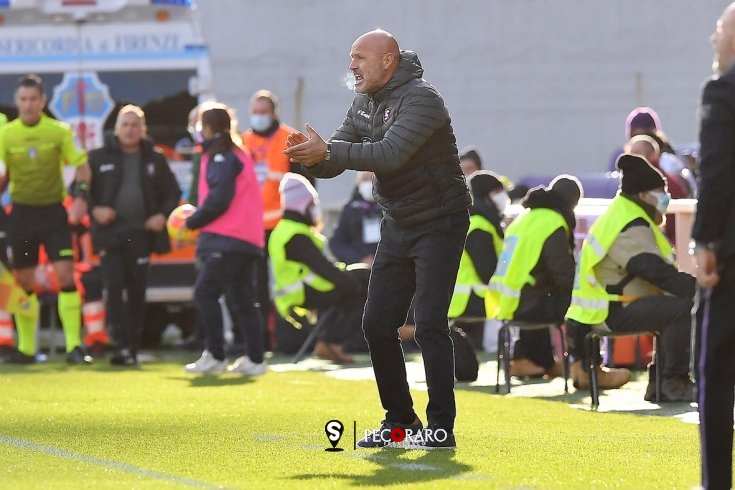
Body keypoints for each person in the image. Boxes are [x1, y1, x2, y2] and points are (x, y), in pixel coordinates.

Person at [284, 29, 471, 450]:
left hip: (441, 222)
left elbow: (388, 154)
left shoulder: (423, 98)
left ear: (388, 60)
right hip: (399, 221)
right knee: (375, 323)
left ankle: (441, 429)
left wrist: (328, 152)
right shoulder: (363, 101)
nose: (352, 66)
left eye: (359, 58)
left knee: (428, 324)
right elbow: (338, 157)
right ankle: (400, 423)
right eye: (351, 58)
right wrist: (310, 156)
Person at [566, 154, 694, 399]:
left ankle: (661, 384)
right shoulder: (630, 222)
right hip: (612, 311)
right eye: (661, 190)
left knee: (672, 308)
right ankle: (672, 382)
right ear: (644, 195)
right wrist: (704, 290)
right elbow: (655, 272)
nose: (666, 196)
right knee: (682, 308)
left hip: (602, 308)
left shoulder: (623, 214)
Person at [0, 74, 92, 364]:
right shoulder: (6, 134)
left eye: (33, 99)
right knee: (24, 281)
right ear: (17, 102)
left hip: (53, 212)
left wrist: (80, 197)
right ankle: (27, 349)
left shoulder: (59, 132)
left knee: (66, 275)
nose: (28, 105)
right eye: (23, 99)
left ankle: (75, 347)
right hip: (22, 214)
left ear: (43, 102)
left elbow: (82, 166)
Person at [87, 105, 181, 366]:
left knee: (137, 291)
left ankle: (132, 346)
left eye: (135, 125)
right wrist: (96, 209)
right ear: (116, 129)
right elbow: (82, 189)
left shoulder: (155, 158)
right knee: (114, 289)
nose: (129, 130)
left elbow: (172, 193)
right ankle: (119, 345)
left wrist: (162, 215)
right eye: (125, 125)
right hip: (110, 234)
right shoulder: (97, 157)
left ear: (143, 129)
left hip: (140, 235)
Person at [183, 103, 266, 376]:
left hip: (228, 236)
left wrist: (192, 222)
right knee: (242, 299)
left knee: (205, 292)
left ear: (207, 127)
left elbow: (219, 199)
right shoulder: (235, 152)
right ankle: (255, 359)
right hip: (245, 237)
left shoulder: (222, 155)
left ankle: (216, 354)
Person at [693, 4, 735, 488]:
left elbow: (718, 171)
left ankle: (716, 481)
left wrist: (706, 240)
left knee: (715, 368)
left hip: (730, 254)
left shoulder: (723, 93)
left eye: (720, 31)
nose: (713, 40)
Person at [488, 175, 581, 378]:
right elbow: (562, 272)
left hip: (506, 299)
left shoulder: (525, 218)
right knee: (582, 305)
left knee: (542, 292)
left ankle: (542, 361)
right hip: (527, 301)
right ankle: (584, 366)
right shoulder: (553, 222)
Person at [269, 173, 369, 363]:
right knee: (361, 290)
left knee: (358, 280)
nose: (315, 209)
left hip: (301, 291)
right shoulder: (296, 235)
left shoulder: (286, 230)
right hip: (304, 292)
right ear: (303, 205)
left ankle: (330, 341)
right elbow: (323, 268)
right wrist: (352, 281)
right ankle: (331, 342)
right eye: (312, 204)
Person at [448, 171, 507, 348]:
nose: (502, 197)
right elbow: (487, 270)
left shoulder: (478, 222)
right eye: (496, 192)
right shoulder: (479, 226)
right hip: (472, 297)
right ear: (485, 195)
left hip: (469, 297)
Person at [328, 171, 381, 266]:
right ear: (358, 182)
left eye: (373, 179)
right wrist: (359, 259)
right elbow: (337, 243)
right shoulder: (350, 209)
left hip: (386, 268)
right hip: (358, 270)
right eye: (366, 179)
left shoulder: (390, 210)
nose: (370, 183)